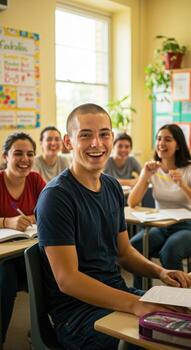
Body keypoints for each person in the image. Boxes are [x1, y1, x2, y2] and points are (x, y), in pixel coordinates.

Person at [36, 106, 191, 350]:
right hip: (77, 314)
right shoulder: (56, 197)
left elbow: (124, 253)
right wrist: (135, 304)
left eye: (104, 134)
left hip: (118, 293)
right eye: (85, 135)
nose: (96, 143)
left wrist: (160, 272)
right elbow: (68, 280)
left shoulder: (111, 186)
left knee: (183, 325)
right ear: (69, 142)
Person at [129, 124, 191, 289]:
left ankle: (179, 301)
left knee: (169, 252)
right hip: (160, 224)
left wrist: (182, 184)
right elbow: (132, 202)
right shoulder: (153, 169)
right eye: (159, 139)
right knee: (135, 245)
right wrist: (144, 176)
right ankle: (139, 292)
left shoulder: (188, 169)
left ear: (178, 145)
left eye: (167, 139)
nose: (161, 143)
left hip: (186, 226)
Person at [0, 132, 46, 342]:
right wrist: (6, 222)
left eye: (30, 153)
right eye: (18, 153)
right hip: (4, 257)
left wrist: (35, 216)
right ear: (5, 157)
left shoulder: (35, 180)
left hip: (28, 248)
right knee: (5, 278)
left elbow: (49, 209)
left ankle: (43, 333)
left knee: (53, 273)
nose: (25, 159)